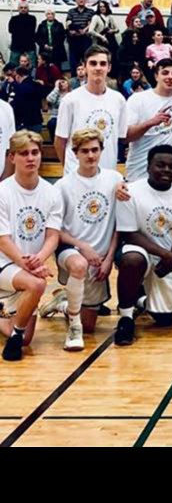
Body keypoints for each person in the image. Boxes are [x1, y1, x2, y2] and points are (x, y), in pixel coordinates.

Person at [40, 128, 124, 348]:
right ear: (75, 153)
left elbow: (120, 224)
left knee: (90, 327)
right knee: (79, 264)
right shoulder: (62, 186)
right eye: (84, 151)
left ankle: (63, 302)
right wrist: (82, 246)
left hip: (100, 258)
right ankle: (72, 326)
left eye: (95, 150)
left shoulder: (115, 179)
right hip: (72, 251)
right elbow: (54, 230)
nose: (90, 155)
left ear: (102, 151)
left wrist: (108, 259)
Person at [114, 145, 172, 345]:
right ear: (148, 166)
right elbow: (129, 233)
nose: (166, 170)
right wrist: (164, 254)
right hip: (138, 249)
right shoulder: (130, 191)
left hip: (166, 257)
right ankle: (126, 317)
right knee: (133, 261)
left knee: (166, 320)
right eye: (160, 165)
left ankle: (140, 298)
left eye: (171, 166)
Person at [0, 131, 64, 361]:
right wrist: (28, 264)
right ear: (12, 157)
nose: (30, 158)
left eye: (35, 152)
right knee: (37, 285)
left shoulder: (51, 192)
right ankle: (14, 339)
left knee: (30, 339)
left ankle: (14, 328)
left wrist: (40, 259)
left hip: (27, 266)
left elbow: (52, 236)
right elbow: (2, 239)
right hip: (5, 262)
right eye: (24, 153)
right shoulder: (3, 192)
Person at [55, 45, 128, 175]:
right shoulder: (70, 100)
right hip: (76, 174)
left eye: (103, 63)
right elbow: (60, 141)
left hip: (107, 173)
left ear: (109, 67)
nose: (98, 68)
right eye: (93, 63)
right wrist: (70, 169)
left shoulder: (119, 100)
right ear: (85, 67)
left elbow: (121, 137)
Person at [66, 0, 95, 74]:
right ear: (76, 0)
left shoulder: (90, 12)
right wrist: (72, 30)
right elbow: (68, 23)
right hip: (74, 40)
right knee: (74, 62)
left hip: (86, 40)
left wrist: (84, 30)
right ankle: (74, 80)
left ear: (85, 0)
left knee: (87, 60)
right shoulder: (71, 12)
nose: (81, 0)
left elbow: (91, 23)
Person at [11, 67, 46, 133]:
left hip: (23, 122)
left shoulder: (19, 88)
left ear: (18, 76)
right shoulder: (37, 85)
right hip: (36, 120)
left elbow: (17, 104)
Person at [88, 0, 119, 66]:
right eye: (100, 7)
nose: (102, 8)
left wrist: (112, 31)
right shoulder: (96, 17)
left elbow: (117, 29)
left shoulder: (110, 17)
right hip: (100, 43)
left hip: (111, 42)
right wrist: (101, 37)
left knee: (113, 59)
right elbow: (90, 30)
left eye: (104, 6)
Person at [8, 1, 37, 67]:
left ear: (28, 9)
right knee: (13, 66)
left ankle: (31, 78)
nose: (23, 9)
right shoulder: (14, 19)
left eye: (25, 7)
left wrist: (19, 30)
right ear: (18, 8)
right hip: (16, 46)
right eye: (21, 7)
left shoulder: (32, 18)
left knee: (32, 66)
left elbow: (30, 31)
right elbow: (10, 30)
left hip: (29, 46)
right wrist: (23, 30)